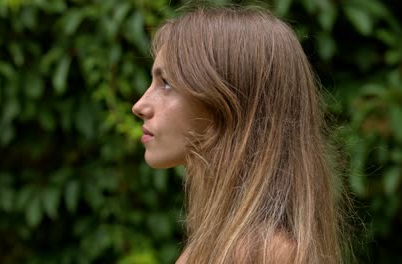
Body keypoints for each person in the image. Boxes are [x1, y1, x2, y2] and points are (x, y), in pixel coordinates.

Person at [132, 6, 351, 264]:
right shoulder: (226, 246)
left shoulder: (261, 253)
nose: (140, 106)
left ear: (230, 102)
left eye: (166, 83)